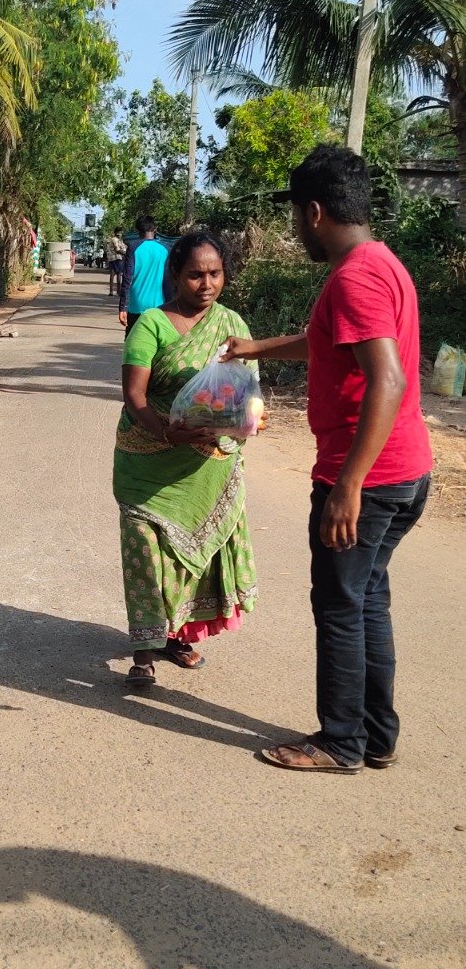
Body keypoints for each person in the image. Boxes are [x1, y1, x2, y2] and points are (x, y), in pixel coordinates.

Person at [226, 144, 432, 773]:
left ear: (314, 212)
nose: (295, 227)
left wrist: (349, 485)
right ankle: (376, 736)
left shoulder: (355, 277)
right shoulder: (380, 264)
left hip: (369, 478)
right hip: (404, 471)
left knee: (340, 608)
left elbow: (388, 378)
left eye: (295, 215)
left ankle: (341, 742)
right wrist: (256, 347)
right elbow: (329, 342)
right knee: (366, 600)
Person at [113, 229, 259, 686]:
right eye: (196, 274)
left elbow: (247, 391)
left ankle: (174, 636)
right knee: (144, 553)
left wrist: (251, 418)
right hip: (147, 460)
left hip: (207, 464)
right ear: (175, 275)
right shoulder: (151, 325)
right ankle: (143, 650)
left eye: (215, 273)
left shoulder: (233, 325)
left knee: (188, 557)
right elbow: (135, 395)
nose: (207, 284)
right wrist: (165, 431)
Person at [118, 216, 170, 334]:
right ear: (155, 230)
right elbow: (169, 281)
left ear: (138, 231)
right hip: (159, 306)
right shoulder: (166, 249)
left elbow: (127, 278)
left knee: (132, 341)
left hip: (136, 306)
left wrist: (122, 307)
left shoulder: (133, 247)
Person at [105, 227, 127, 296]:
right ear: (118, 232)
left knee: (112, 274)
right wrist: (126, 253)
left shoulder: (117, 240)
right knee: (119, 274)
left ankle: (111, 291)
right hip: (117, 258)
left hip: (111, 258)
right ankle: (118, 291)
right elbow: (117, 249)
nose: (121, 234)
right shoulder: (115, 239)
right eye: (120, 232)